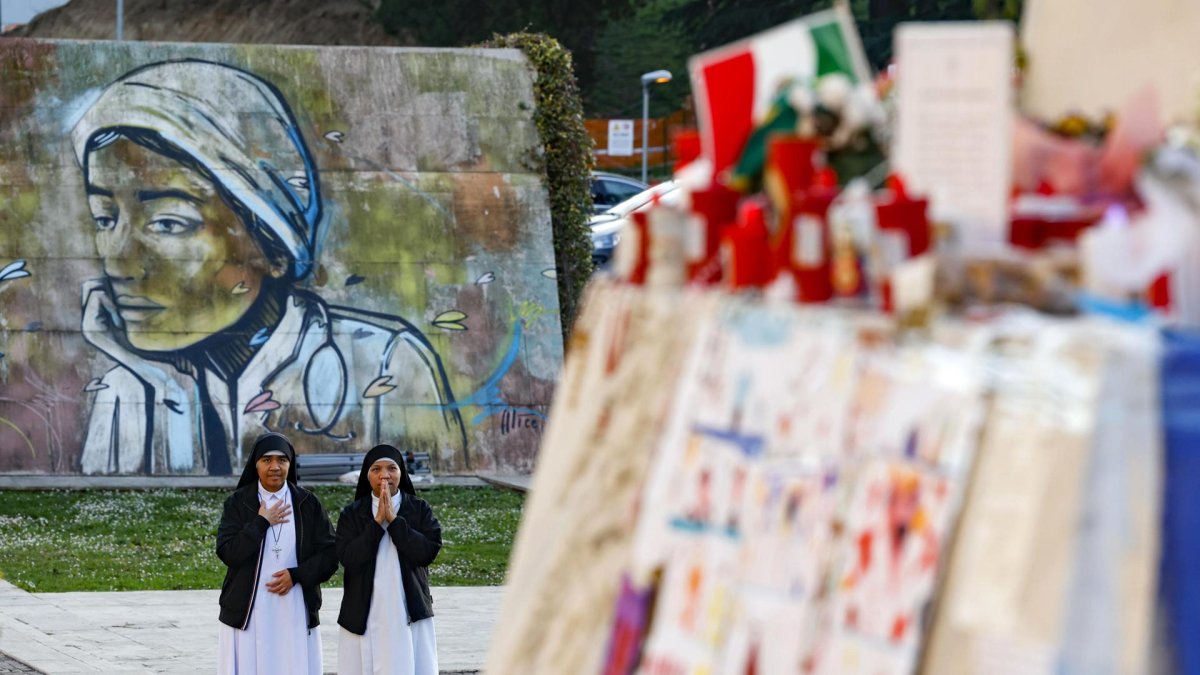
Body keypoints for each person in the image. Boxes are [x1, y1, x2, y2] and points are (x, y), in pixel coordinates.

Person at [71, 59, 468, 476]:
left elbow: (436, 499)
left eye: (168, 222)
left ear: (271, 247)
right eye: (104, 218)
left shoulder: (385, 361)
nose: (119, 264)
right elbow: (146, 514)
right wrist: (168, 389)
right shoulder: (126, 383)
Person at [216, 432, 337, 674]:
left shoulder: (307, 503)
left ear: (290, 464)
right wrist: (261, 522)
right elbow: (228, 552)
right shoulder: (239, 503)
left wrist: (297, 575)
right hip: (248, 610)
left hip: (294, 606)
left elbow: (331, 554)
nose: (274, 467)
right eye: (267, 460)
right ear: (255, 464)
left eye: (282, 460)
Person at [336, 444, 442, 675]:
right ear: (367, 475)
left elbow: (427, 552)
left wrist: (394, 522)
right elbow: (348, 558)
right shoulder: (352, 514)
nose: (384, 475)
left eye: (391, 468)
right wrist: (376, 524)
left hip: (408, 607)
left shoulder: (419, 509)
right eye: (376, 469)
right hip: (365, 608)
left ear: (401, 473)